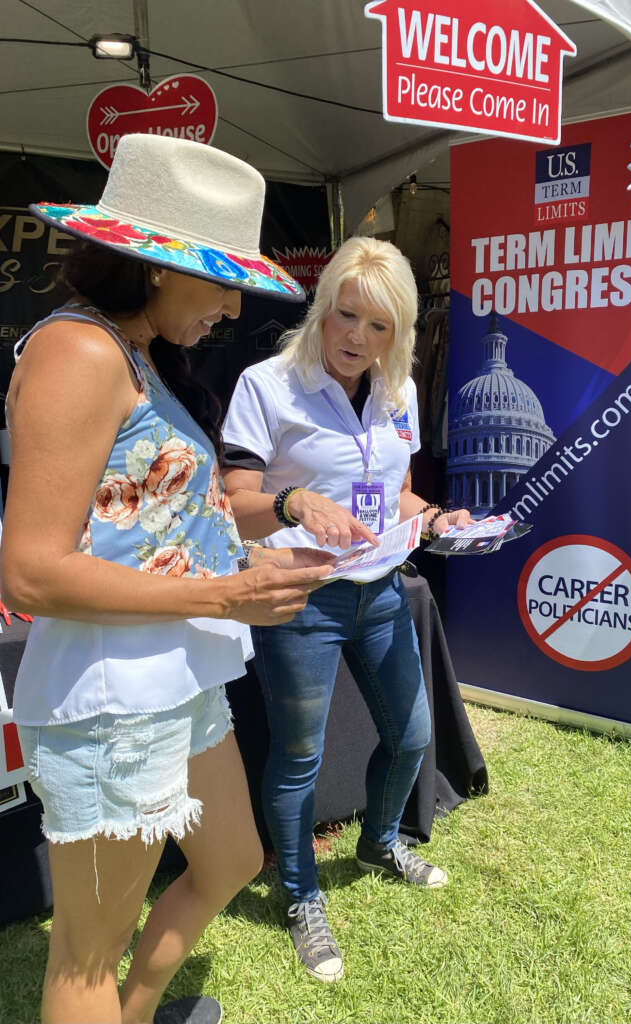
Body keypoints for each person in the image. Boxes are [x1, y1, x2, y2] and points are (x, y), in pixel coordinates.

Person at [0, 134, 333, 1024]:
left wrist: (249, 561)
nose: (230, 307)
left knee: (230, 861)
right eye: (220, 280)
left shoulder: (134, 352)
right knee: (83, 962)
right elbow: (31, 572)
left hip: (173, 682)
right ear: (153, 267)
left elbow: (142, 527)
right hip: (110, 701)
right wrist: (225, 595)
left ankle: (140, 1013)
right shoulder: (79, 352)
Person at [221, 236, 472, 983]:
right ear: (323, 306)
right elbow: (233, 505)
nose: (357, 338)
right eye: (346, 315)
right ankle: (300, 895)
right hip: (302, 599)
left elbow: (393, 489)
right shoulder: (267, 385)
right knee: (298, 757)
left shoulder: (398, 391)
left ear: (399, 334)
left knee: (413, 736)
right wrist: (294, 501)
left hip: (384, 590)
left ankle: (379, 840)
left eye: (379, 326)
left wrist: (430, 517)